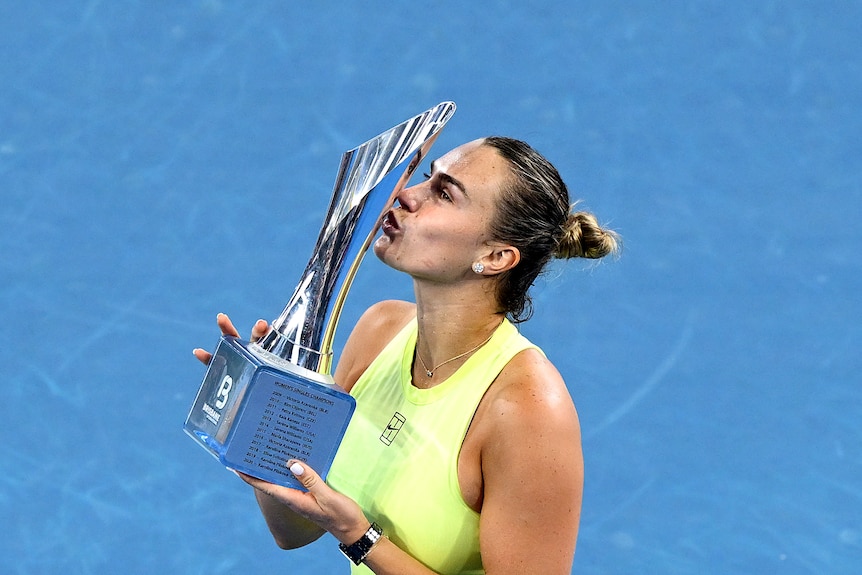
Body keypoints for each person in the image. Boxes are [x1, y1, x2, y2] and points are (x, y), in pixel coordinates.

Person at [194, 136, 619, 574]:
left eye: (444, 193)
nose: (405, 194)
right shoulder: (380, 330)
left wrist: (362, 539)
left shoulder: (527, 407)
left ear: (495, 256)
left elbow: (347, 531)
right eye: (426, 177)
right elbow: (295, 531)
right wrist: (266, 411)